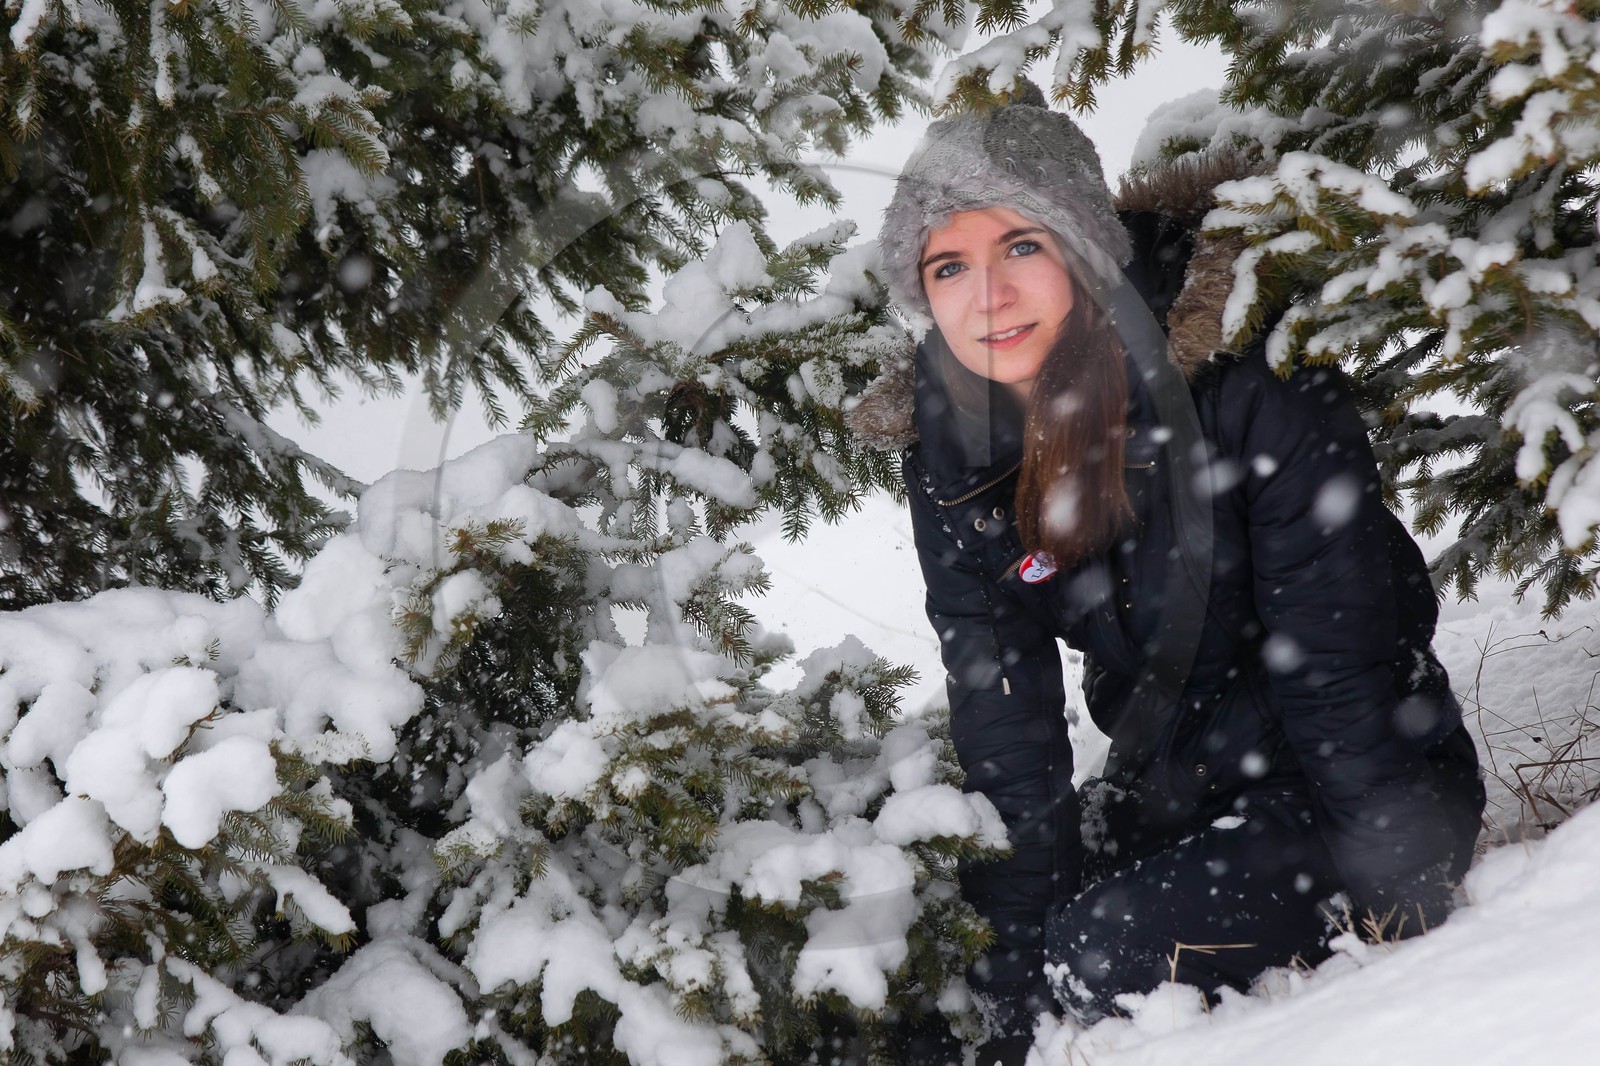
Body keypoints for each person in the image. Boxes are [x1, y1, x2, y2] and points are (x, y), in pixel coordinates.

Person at [848, 86, 1486, 1065]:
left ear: (1090, 246)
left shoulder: (1243, 387)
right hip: (1169, 784)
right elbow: (1004, 716)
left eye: (1022, 245)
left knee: (1099, 956)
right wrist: (1002, 978)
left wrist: (1402, 887)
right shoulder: (954, 452)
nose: (987, 294)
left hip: (1360, 783)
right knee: (960, 963)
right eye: (948, 265)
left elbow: (1340, 664)